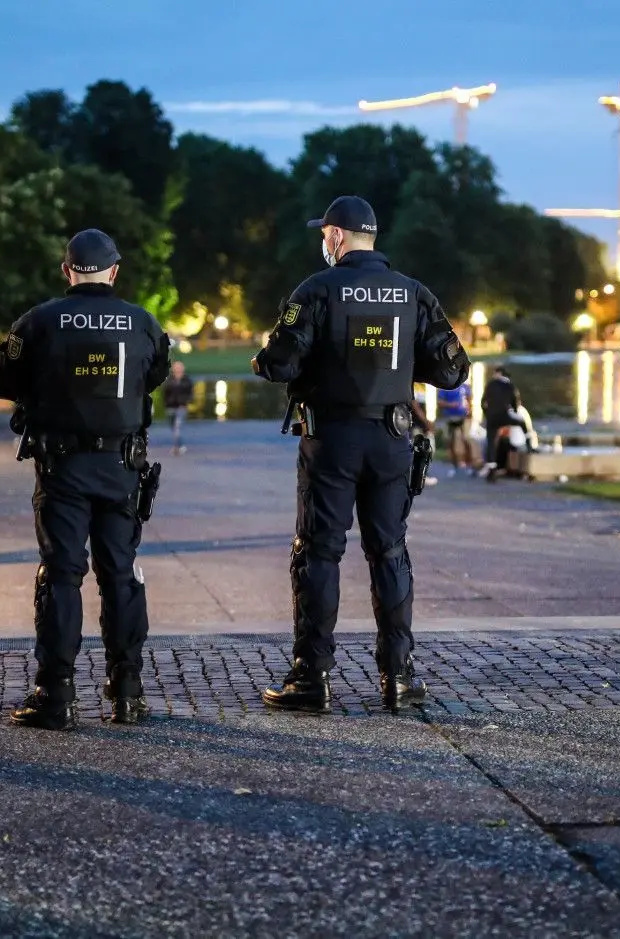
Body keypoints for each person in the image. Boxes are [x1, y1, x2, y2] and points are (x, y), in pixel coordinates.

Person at [251, 195, 470, 712]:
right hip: (392, 440)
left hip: (332, 440)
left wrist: (269, 359)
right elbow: (453, 371)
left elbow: (278, 364)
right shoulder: (414, 294)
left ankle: (312, 678)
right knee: (389, 552)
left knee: (319, 553)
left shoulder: (317, 289)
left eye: (324, 235)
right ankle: (398, 677)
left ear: (335, 237)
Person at [0, 229, 171, 729]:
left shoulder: (40, 321)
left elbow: (1, 382)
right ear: (114, 271)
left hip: (63, 468)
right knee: (122, 576)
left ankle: (56, 695)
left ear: (67, 271)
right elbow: (154, 375)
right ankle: (127, 692)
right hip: (120, 468)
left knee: (62, 577)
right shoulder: (142, 323)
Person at [436, 380, 479, 474]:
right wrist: (451, 405)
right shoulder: (445, 387)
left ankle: (470, 463)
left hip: (464, 417)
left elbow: (469, 399)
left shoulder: (465, 387)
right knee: (450, 440)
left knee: (467, 438)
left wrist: (470, 411)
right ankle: (454, 464)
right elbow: (440, 403)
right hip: (449, 417)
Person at [480, 365, 519, 466]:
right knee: (517, 429)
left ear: (499, 373)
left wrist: (486, 413)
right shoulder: (510, 385)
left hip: (492, 416)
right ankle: (527, 447)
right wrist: (514, 412)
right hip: (505, 416)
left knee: (491, 441)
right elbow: (514, 402)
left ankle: (491, 466)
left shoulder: (491, 384)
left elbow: (483, 402)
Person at [162, 361, 193, 454]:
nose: (178, 369)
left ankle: (177, 447)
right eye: (176, 367)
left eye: (180, 367)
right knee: (173, 427)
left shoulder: (187, 380)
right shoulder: (169, 380)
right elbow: (165, 393)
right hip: (170, 407)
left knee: (177, 428)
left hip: (181, 407)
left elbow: (190, 394)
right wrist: (167, 402)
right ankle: (180, 445)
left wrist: (185, 403)